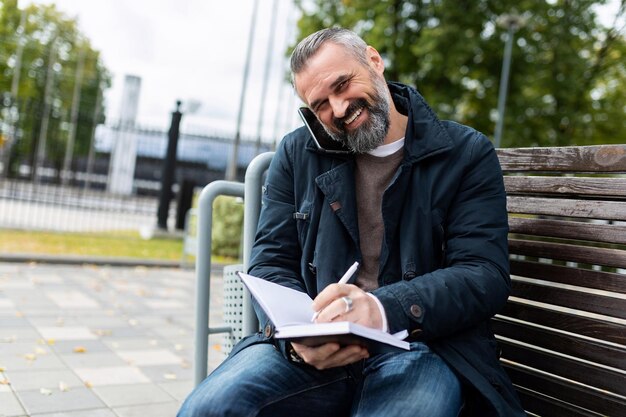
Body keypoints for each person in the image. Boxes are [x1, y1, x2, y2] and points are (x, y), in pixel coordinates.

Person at [178, 27, 525, 417]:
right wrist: (296, 340)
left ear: (374, 61)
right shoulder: (296, 153)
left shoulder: (465, 153)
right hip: (313, 353)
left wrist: (380, 309)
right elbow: (271, 261)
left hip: (423, 346)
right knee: (208, 408)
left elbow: (484, 274)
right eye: (321, 104)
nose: (339, 108)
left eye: (343, 84)